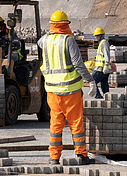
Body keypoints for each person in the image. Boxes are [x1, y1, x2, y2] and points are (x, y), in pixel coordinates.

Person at [38, 10, 98, 165]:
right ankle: (81, 155)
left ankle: (54, 157)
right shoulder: (67, 41)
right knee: (76, 123)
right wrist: (90, 80)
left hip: (52, 91)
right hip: (70, 91)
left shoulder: (43, 41)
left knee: (55, 126)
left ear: (52, 25)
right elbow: (78, 64)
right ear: (66, 25)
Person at [91, 27, 116, 96]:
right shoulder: (101, 43)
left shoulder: (104, 43)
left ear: (102, 35)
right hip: (104, 68)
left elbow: (107, 55)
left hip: (101, 68)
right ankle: (107, 97)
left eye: (98, 36)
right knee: (104, 84)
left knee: (92, 81)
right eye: (96, 36)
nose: (96, 37)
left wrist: (106, 65)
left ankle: (98, 97)